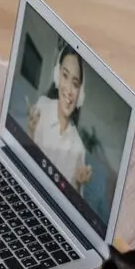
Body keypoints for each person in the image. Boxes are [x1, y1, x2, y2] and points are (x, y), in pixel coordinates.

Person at [25, 48, 93, 192]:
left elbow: (72, 203)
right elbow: (23, 160)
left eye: (75, 84)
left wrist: (78, 183)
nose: (69, 90)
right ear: (57, 76)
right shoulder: (41, 107)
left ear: (80, 94)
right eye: (65, 76)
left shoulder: (78, 148)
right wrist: (30, 132)